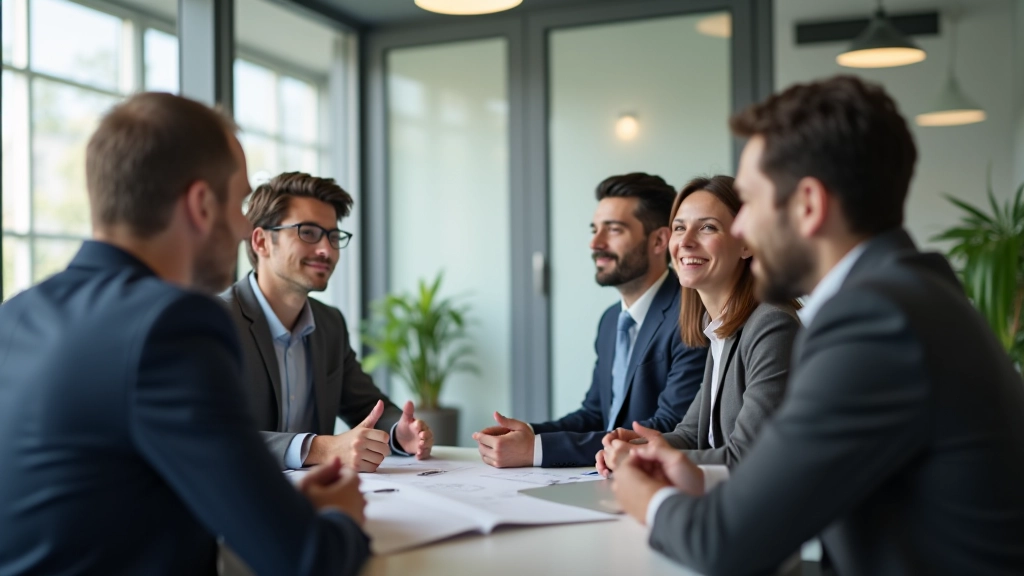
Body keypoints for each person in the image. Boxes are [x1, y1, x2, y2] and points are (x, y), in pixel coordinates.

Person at [611, 75, 1024, 575]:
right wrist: (692, 476)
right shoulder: (909, 295)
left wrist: (646, 498)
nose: (741, 227)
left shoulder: (874, 323)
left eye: (753, 202)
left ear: (808, 205)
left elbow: (725, 545)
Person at [0, 93, 370, 575]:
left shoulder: (16, 314)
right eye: (239, 203)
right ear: (200, 204)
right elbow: (304, 560)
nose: (244, 228)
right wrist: (341, 514)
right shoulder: (171, 323)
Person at [474, 173, 707, 468]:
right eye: (595, 229)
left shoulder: (691, 313)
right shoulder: (611, 321)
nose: (595, 243)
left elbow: (669, 428)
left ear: (660, 240)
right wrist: (528, 435)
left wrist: (536, 451)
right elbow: (595, 415)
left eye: (613, 230)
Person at [222, 172, 433, 472]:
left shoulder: (329, 324)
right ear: (262, 241)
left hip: (318, 498)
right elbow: (211, 435)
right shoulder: (217, 321)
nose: (327, 250)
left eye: (333, 236)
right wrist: (321, 448)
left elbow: (367, 407)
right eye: (308, 232)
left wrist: (400, 434)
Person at [596, 175, 799, 476]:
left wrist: (646, 460)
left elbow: (748, 458)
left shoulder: (772, 325)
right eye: (679, 227)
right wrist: (640, 447)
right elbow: (690, 435)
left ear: (746, 244)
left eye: (707, 227)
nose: (686, 242)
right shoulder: (718, 328)